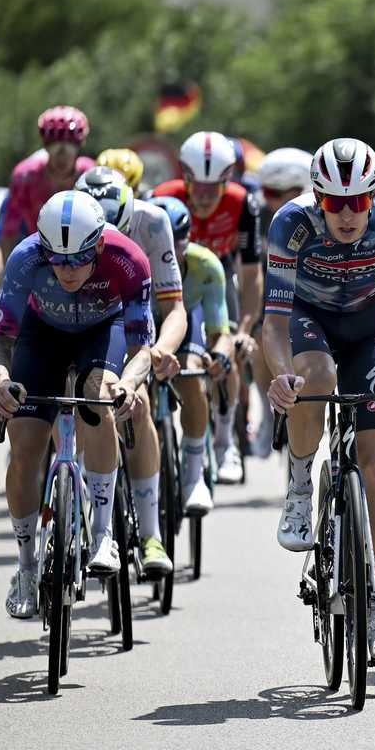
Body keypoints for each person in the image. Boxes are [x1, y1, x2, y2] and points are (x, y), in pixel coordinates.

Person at [263, 138, 375, 665]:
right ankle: (298, 486)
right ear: (317, 198)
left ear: (373, 196)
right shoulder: (291, 224)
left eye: (357, 202)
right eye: (334, 203)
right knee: (313, 376)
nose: (346, 214)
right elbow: (272, 320)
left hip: (368, 329)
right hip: (309, 322)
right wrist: (280, 374)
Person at [0, 191, 155, 619]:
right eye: (56, 260)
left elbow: (142, 347)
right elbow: (1, 339)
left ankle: (103, 534)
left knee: (97, 398)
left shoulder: (128, 259)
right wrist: (1, 381)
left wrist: (131, 384)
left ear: (98, 244)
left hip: (102, 330)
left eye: (78, 259)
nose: (66, 270)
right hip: (40, 335)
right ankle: (25, 568)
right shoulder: (26, 258)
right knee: (24, 449)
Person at [75, 168, 189, 573]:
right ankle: (70, 499)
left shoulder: (153, 222)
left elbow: (173, 307)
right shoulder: (68, 223)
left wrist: (160, 351)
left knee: (135, 404)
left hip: (136, 318)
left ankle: (151, 535)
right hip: (83, 320)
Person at [153, 130, 265, 484]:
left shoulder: (244, 203)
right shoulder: (161, 198)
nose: (202, 197)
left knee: (226, 346)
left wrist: (245, 330)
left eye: (211, 188)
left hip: (220, 276)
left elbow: (251, 275)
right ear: (183, 177)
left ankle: (225, 437)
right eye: (195, 187)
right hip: (175, 278)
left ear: (227, 179)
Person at [153, 196, 238, 513]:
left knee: (190, 374)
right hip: (145, 325)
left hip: (186, 324)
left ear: (186, 242)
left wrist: (220, 357)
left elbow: (220, 333)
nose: (167, 254)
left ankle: (192, 475)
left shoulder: (206, 265)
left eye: (175, 245)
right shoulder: (134, 259)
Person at [246, 147, 312, 458]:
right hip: (274, 290)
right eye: (269, 192)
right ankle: (266, 409)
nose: (273, 201)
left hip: (313, 292)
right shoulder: (258, 214)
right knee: (261, 339)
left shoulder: (317, 213)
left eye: (282, 193)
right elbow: (252, 270)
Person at [0, 106, 96, 280]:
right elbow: (8, 233)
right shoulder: (25, 176)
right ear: (45, 146)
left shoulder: (91, 175)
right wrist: (8, 278)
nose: (62, 155)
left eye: (70, 146)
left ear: (81, 144)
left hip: (83, 260)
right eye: (55, 146)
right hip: (38, 258)